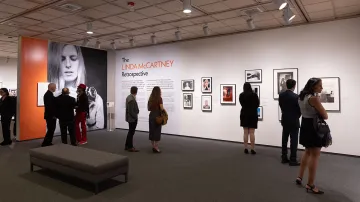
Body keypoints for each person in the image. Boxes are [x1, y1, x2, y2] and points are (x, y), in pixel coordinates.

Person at [47, 43, 104, 131]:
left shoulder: (95, 99)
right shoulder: (53, 97)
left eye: (73, 58)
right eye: (62, 59)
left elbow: (99, 130)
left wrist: (91, 122)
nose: (68, 65)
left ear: (79, 61)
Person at [296, 78, 327, 195]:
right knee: (315, 155)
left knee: (307, 151)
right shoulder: (314, 98)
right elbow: (325, 115)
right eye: (320, 86)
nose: (321, 88)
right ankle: (310, 184)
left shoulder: (301, 97)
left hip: (305, 124)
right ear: (313, 86)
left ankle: (299, 177)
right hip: (313, 127)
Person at [279, 79, 301, 166]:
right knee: (294, 140)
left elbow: (281, 106)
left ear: (286, 85)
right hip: (294, 120)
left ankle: (284, 157)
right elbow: (299, 109)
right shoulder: (296, 96)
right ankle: (293, 159)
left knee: (284, 139)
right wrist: (297, 116)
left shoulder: (281, 95)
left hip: (285, 119)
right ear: (294, 86)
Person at [239, 82, 260, 154]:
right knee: (252, 132)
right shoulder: (254, 95)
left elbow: (241, 104)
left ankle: (245, 148)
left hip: (244, 114)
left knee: (245, 132)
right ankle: (252, 149)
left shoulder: (241, 95)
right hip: (253, 114)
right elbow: (257, 104)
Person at [148, 86, 165, 153]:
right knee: (157, 131)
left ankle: (153, 146)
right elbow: (161, 108)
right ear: (159, 91)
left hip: (151, 115)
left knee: (152, 131)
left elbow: (148, 108)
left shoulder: (150, 98)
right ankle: (156, 147)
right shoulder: (159, 98)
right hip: (157, 116)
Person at [125, 86, 139, 152]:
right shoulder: (131, 99)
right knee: (131, 133)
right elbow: (131, 111)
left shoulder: (129, 97)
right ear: (136, 91)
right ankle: (130, 147)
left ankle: (127, 146)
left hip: (131, 118)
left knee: (130, 132)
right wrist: (135, 117)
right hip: (132, 119)